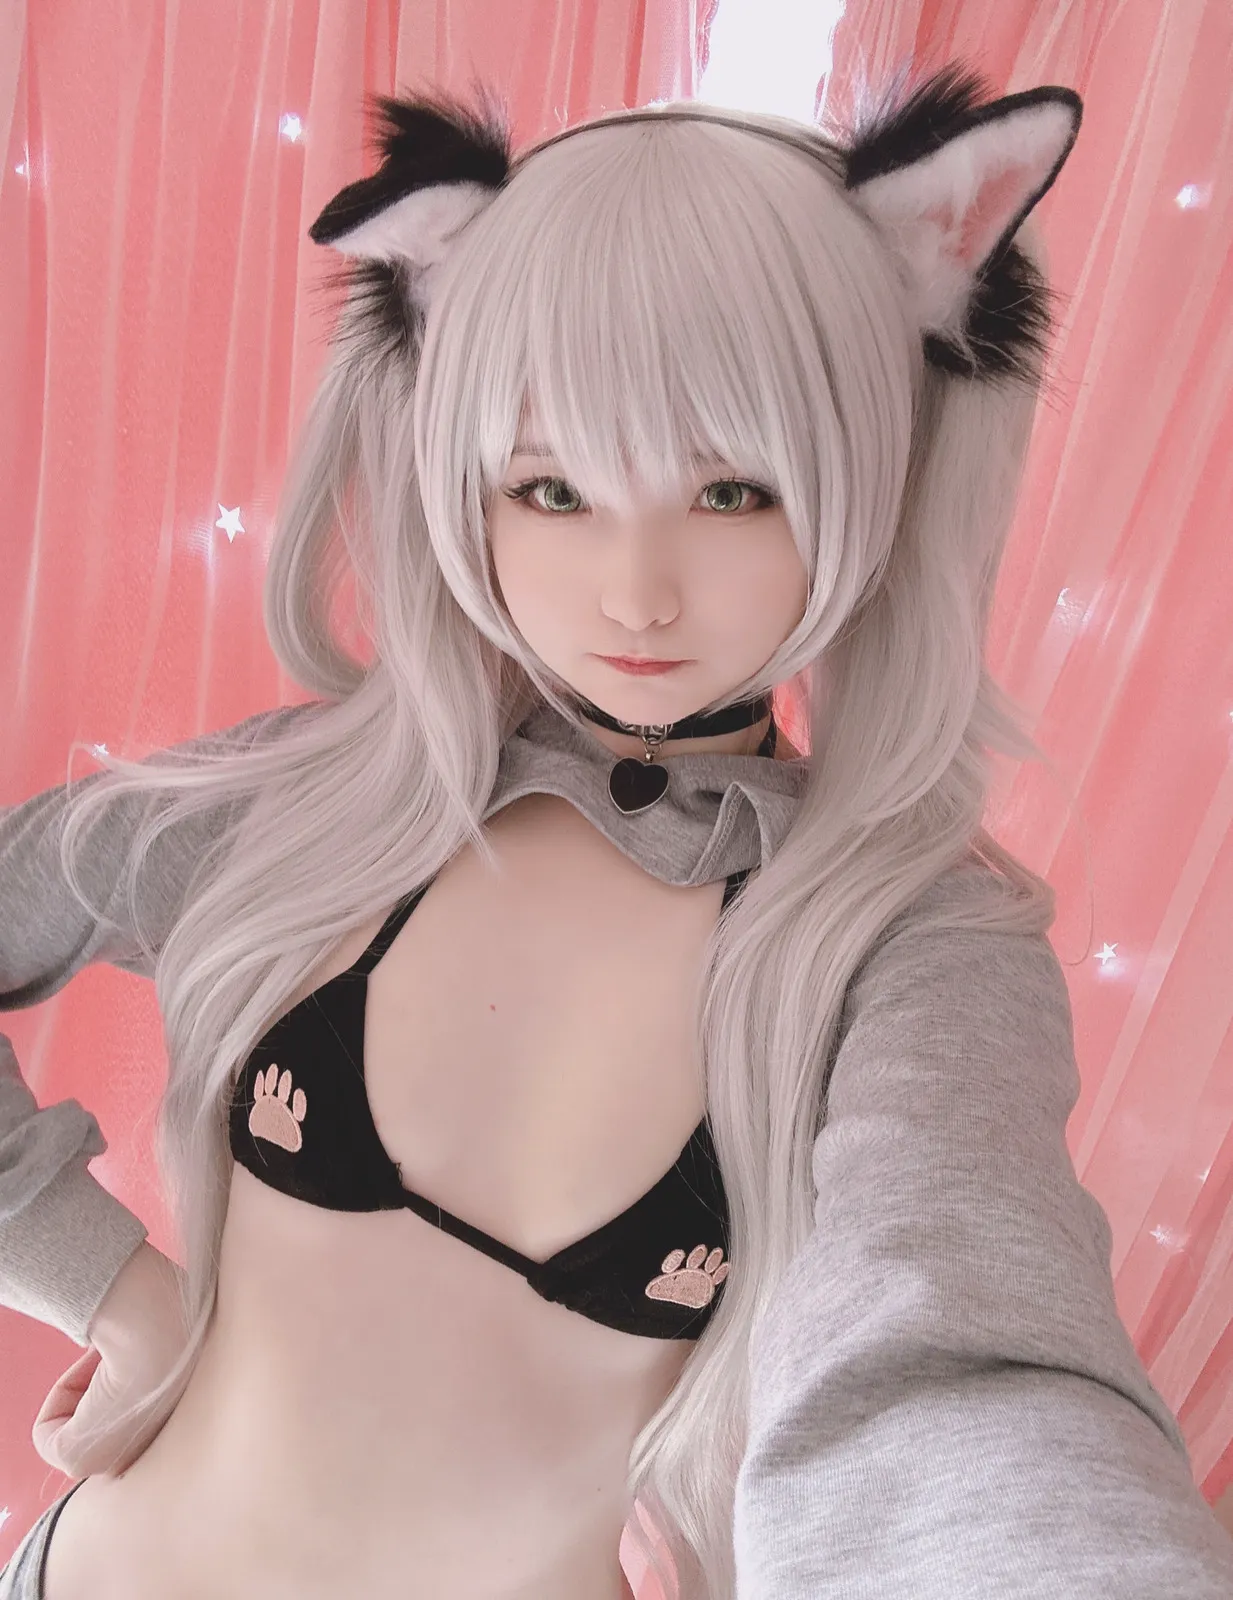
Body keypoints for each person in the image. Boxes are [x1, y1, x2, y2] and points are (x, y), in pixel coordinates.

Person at [3, 58, 1232, 1600]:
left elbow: (964, 1369)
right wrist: (111, 1292)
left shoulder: (908, 951)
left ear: (877, 470)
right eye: (552, 489)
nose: (636, 592)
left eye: (733, 493)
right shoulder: (306, 802)